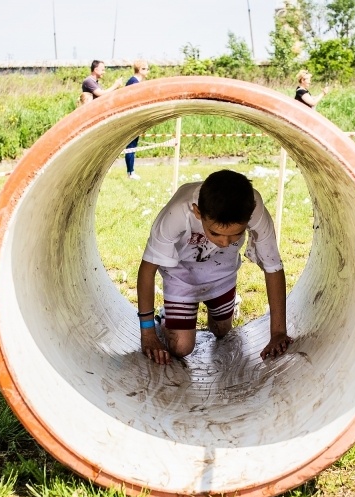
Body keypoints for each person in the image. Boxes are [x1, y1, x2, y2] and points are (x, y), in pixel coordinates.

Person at [136, 169, 292, 365]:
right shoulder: (177, 212)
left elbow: (273, 266)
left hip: (222, 273)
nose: (226, 243)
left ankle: (224, 306)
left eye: (236, 234)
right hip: (181, 276)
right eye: (216, 233)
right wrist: (148, 333)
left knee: (221, 331)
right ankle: (168, 314)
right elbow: (147, 271)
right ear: (198, 212)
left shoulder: (254, 208)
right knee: (181, 348)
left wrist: (278, 333)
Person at [124, 59, 150, 180]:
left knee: (132, 144)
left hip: (132, 118)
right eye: (146, 68)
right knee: (131, 145)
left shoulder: (134, 82)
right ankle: (130, 172)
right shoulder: (134, 83)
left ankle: (131, 171)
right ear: (141, 70)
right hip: (131, 119)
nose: (148, 71)